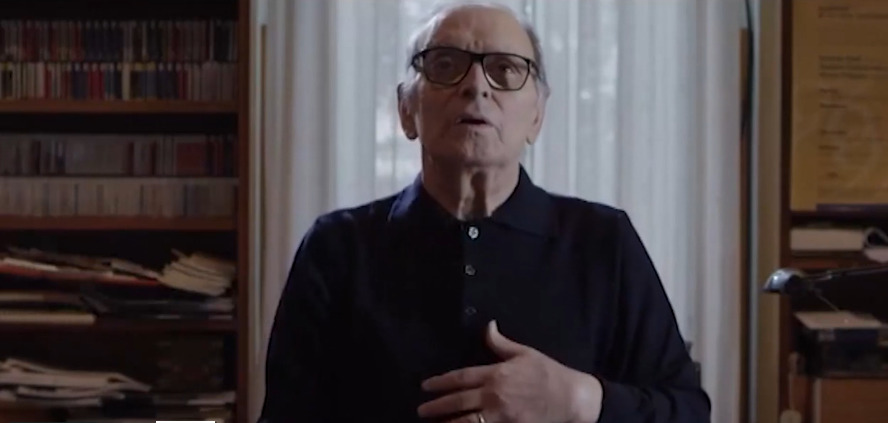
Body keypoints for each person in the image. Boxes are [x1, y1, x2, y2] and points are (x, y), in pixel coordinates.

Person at [258, 2, 711, 423]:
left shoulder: (604, 242)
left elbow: (689, 411)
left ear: (537, 116)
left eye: (505, 69)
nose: (476, 86)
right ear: (406, 110)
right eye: (445, 65)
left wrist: (578, 399)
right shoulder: (337, 248)